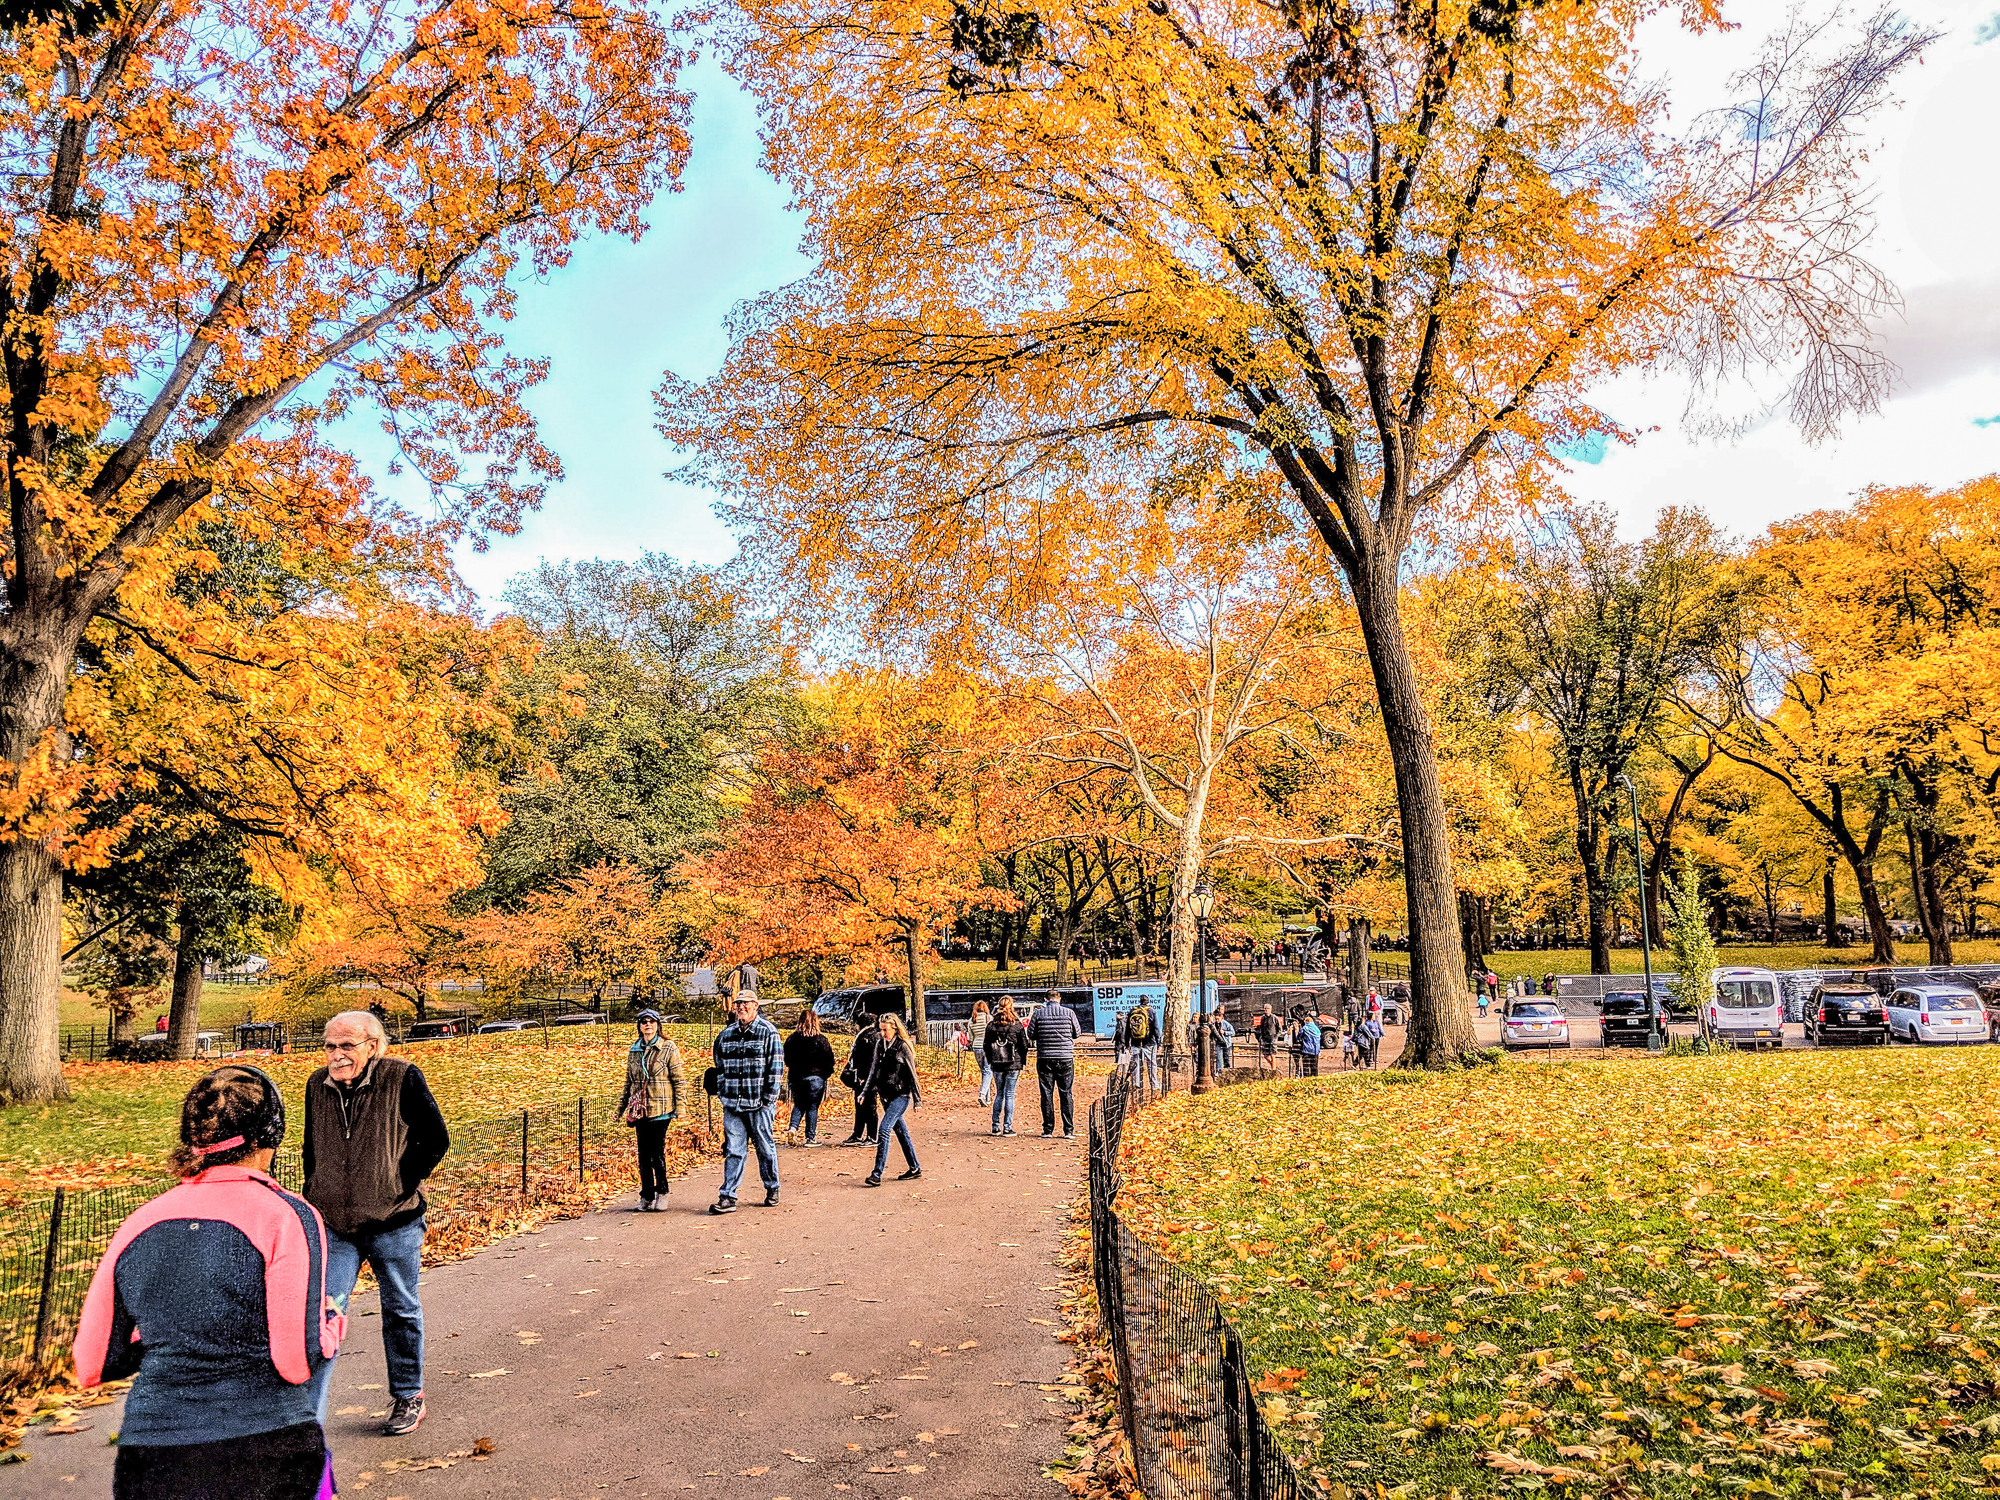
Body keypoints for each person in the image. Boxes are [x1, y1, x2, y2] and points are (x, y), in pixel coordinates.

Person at [77, 1066, 346, 1500]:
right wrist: (332, 1325)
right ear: (270, 1135)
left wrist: (176, 1334)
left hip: (151, 1454)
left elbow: (93, 1364)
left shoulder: (139, 1222)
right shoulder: (286, 1216)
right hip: (265, 1446)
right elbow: (296, 1361)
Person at [304, 1010, 448, 1436]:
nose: (336, 1055)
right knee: (323, 1312)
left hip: (394, 1220)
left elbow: (435, 1137)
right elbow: (313, 1145)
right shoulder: (317, 1085)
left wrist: (399, 1181)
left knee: (401, 1309)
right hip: (336, 1224)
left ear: (372, 1046)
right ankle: (302, 1415)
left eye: (347, 1046)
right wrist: (316, 1189)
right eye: (330, 1046)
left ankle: (409, 1396)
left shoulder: (402, 1076)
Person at [710, 990, 783, 1214]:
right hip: (733, 1104)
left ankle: (772, 1187)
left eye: (746, 1003)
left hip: (759, 1103)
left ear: (756, 1005)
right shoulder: (726, 1035)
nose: (741, 1007)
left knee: (764, 1148)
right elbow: (718, 1067)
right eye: (738, 1003)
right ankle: (728, 1196)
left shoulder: (768, 1032)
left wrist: (769, 1099)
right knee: (734, 1150)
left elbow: (776, 1068)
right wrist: (723, 1092)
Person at [618, 1009, 685, 1209]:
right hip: (641, 1110)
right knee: (643, 1155)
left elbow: (679, 1080)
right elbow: (628, 1082)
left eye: (652, 1022)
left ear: (658, 1025)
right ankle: (646, 1194)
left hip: (661, 1108)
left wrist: (681, 1107)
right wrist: (620, 1109)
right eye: (644, 1022)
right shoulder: (634, 1050)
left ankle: (662, 1192)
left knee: (657, 1152)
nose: (648, 1025)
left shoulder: (668, 1047)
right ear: (639, 1026)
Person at [861, 1013, 923, 1185]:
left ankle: (877, 1173)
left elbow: (912, 1076)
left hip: (901, 1096)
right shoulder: (880, 1045)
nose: (882, 1033)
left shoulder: (903, 1047)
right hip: (885, 1096)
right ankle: (914, 1167)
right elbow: (873, 1071)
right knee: (902, 1133)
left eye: (885, 1030)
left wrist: (918, 1101)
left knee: (884, 1129)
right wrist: (864, 1092)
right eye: (880, 1030)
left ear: (894, 1029)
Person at [1028, 991, 1083, 1138]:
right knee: (1066, 1093)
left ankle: (1048, 1129)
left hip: (1045, 1056)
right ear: (1059, 999)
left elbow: (1031, 1034)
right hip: (1065, 1057)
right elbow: (1077, 1033)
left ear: (1045, 999)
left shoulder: (1038, 1014)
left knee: (1046, 1093)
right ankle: (1069, 1130)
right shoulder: (1069, 1013)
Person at [784, 1010, 836, 1145]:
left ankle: (793, 1128)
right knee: (812, 1107)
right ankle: (810, 1137)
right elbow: (829, 1060)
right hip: (816, 1077)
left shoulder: (792, 1039)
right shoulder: (821, 1040)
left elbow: (787, 1060)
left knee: (799, 1104)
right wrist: (825, 1074)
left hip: (797, 1077)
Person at [983, 996, 1030, 1136]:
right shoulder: (1017, 1025)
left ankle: (995, 1126)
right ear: (1012, 1006)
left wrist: (991, 1059)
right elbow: (1024, 1045)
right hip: (1013, 1063)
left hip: (997, 1063)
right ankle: (1007, 1127)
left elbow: (986, 1045)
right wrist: (1021, 1059)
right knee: (1010, 1094)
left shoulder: (991, 1026)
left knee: (999, 1094)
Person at [841, 1013, 884, 1146]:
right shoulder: (874, 1035)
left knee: (868, 1106)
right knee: (863, 1106)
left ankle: (870, 1136)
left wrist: (862, 1076)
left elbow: (866, 1059)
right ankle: (860, 1134)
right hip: (868, 1076)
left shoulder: (866, 1037)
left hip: (865, 1077)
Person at [1124, 1000, 1160, 1090]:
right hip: (1149, 1042)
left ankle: (1137, 1083)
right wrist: (1159, 1042)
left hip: (1135, 1042)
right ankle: (1154, 1085)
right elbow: (1156, 1028)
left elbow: (1128, 1029)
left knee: (1136, 1063)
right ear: (1148, 1002)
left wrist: (1127, 1044)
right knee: (1151, 1064)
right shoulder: (1151, 1011)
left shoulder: (1132, 1011)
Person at [971, 998, 994, 1107]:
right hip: (988, 1047)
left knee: (984, 1072)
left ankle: (987, 1098)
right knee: (988, 1071)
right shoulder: (988, 1018)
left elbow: (970, 1037)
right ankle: (982, 1094)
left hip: (977, 1047)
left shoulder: (972, 1020)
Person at [1254, 1003, 1279, 1072]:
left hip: (1272, 1038)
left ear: (1271, 1009)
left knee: (1272, 1054)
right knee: (1265, 1055)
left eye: (1268, 1008)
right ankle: (1273, 1066)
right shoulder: (1263, 1018)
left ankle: (1273, 1070)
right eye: (1265, 1008)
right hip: (1265, 1038)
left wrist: (1275, 1037)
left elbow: (1279, 1029)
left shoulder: (1274, 1018)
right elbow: (1261, 1028)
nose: (1266, 1010)